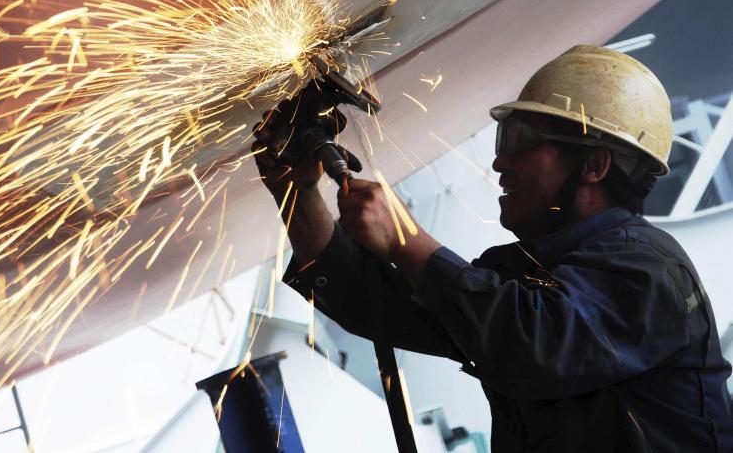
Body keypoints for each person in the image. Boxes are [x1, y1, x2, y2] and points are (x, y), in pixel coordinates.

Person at [252, 45, 733, 452]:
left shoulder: (650, 270)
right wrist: (297, 191)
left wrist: (405, 239)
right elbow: (376, 306)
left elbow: (533, 345)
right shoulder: (524, 276)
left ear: (594, 165)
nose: (500, 161)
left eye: (520, 141)